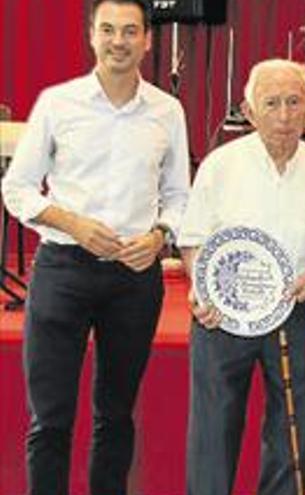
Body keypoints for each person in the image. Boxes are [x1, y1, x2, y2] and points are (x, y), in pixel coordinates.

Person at [0, 0, 190, 493]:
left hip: (134, 277)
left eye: (130, 31)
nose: (118, 41)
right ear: (91, 36)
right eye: (107, 30)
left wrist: (159, 236)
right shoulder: (58, 103)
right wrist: (72, 223)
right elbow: (16, 188)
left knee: (116, 415)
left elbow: (179, 196)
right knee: (50, 418)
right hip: (63, 268)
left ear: (148, 39)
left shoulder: (168, 112)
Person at [178, 59, 305, 495]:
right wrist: (200, 289)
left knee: (292, 439)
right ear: (249, 110)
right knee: (212, 434)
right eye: (272, 103)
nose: (284, 115)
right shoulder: (220, 166)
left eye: (294, 102)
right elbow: (191, 241)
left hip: (300, 315)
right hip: (221, 319)